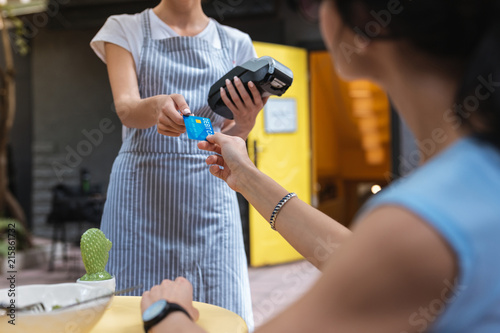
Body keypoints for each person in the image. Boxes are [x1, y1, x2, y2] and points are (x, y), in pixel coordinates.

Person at [139, 0, 500, 332]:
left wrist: (167, 315)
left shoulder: (415, 229)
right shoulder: (474, 180)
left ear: (364, 21)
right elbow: (361, 259)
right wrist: (247, 178)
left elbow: (393, 253)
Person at [90, 0, 268, 329]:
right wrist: (158, 105)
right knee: (130, 309)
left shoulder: (236, 42)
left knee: (220, 306)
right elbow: (127, 108)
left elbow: (230, 135)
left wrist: (246, 120)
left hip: (211, 189)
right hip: (140, 196)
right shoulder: (123, 28)